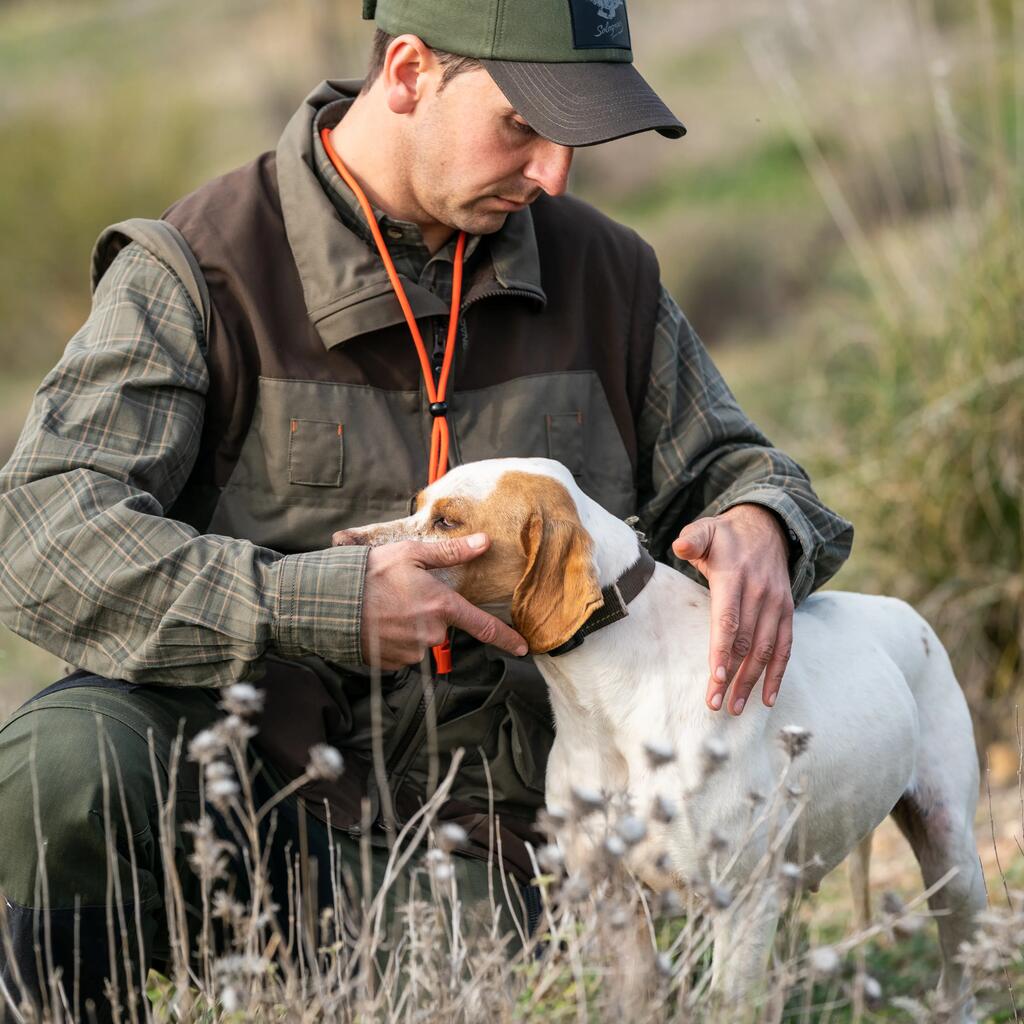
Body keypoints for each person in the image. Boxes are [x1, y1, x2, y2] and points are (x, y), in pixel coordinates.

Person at [0, 0, 853, 1018]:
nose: (553, 175)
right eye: (521, 127)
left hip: (483, 833)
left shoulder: (607, 274)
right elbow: (42, 533)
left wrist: (763, 522)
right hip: (242, 792)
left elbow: (745, 469)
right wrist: (310, 603)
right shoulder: (197, 269)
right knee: (65, 765)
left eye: (572, 138)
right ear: (407, 72)